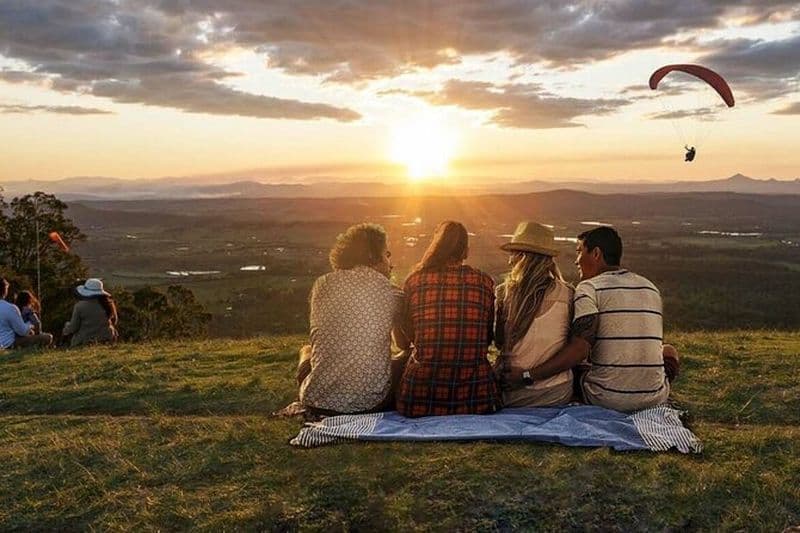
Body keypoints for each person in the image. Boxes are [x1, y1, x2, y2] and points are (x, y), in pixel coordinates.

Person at [504, 226, 679, 412]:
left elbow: (579, 350)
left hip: (606, 398)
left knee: (573, 367)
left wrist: (527, 376)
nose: (576, 261)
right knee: (668, 350)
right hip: (655, 398)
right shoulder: (650, 287)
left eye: (579, 252)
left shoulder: (589, 288)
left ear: (596, 253)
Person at [296, 223, 407, 416]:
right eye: (387, 254)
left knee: (307, 350)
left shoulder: (321, 284)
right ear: (373, 256)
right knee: (409, 356)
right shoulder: (390, 292)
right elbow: (404, 343)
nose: (391, 263)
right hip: (369, 403)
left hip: (315, 399)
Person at [396, 221, 499, 417]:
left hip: (420, 397)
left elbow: (409, 336)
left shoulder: (415, 281)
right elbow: (487, 337)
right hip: (477, 396)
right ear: (466, 251)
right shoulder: (484, 282)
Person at [495, 222, 574, 407]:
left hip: (513, 395)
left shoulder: (503, 293)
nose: (509, 261)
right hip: (557, 393)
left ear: (522, 257)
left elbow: (499, 341)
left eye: (513, 254)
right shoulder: (569, 294)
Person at [63, 278, 119, 347]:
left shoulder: (80, 306)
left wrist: (66, 328)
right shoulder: (109, 304)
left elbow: (73, 327)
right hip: (107, 338)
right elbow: (114, 321)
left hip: (85, 340)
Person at [0, 279, 52, 349]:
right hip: (8, 344)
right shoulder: (10, 308)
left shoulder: (14, 307)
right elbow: (22, 331)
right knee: (48, 337)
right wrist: (30, 326)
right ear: (4, 291)